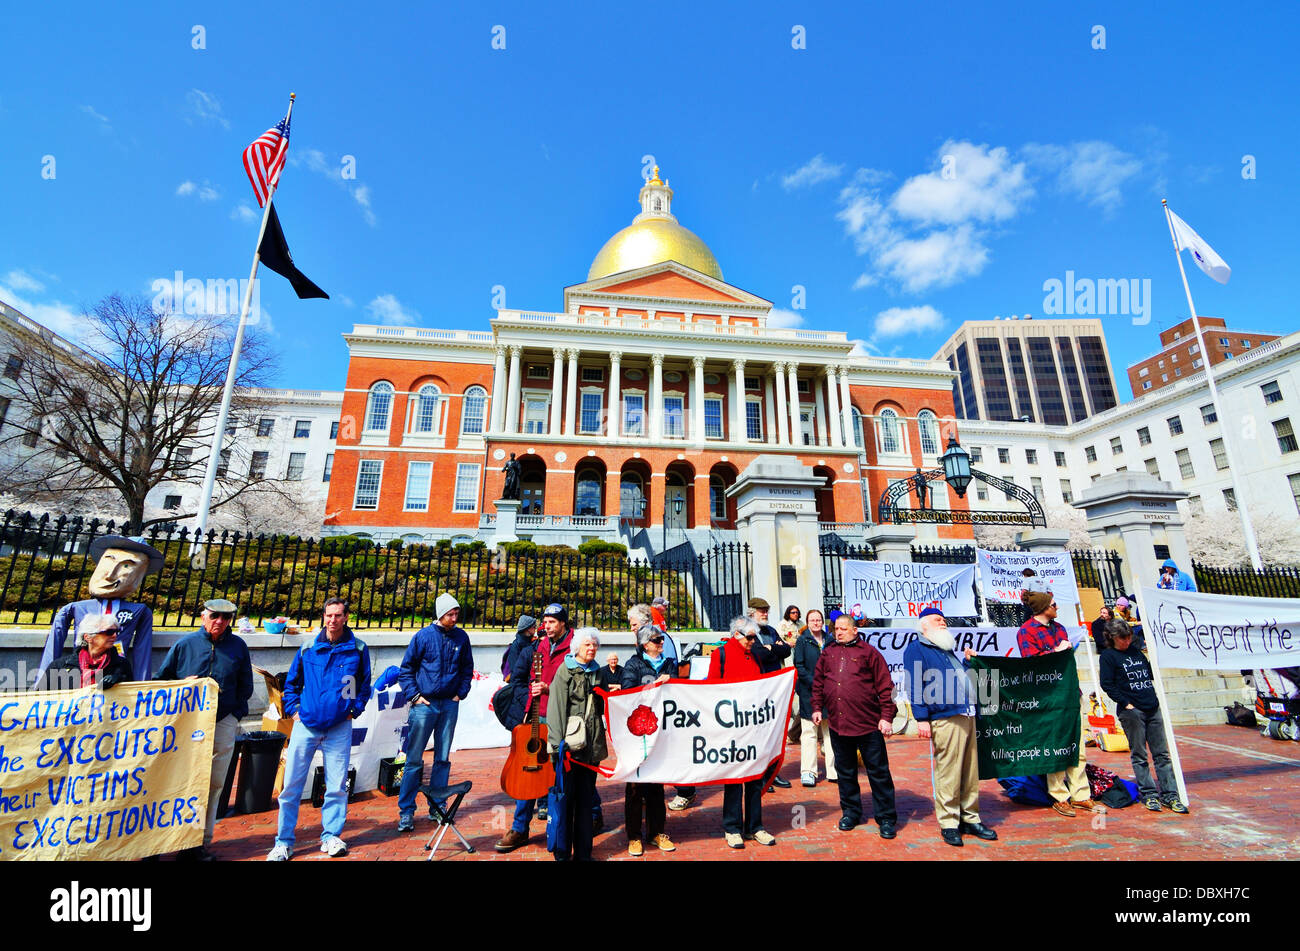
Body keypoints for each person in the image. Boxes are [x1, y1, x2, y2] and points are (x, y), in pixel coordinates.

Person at [268, 598, 373, 861]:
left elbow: (363, 684)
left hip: (339, 727)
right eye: (328, 615)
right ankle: (283, 842)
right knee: (291, 786)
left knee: (337, 786)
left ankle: (331, 836)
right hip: (306, 726)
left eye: (338, 615)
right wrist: (294, 712)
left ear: (346, 617)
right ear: (323, 617)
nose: (332, 620)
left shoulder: (358, 649)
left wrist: (353, 709)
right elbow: (291, 684)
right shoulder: (307, 648)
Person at [154, 598, 253, 860]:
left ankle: (197, 841)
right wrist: (181, 685)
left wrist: (235, 714)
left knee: (212, 783)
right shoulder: (185, 645)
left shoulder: (238, 647)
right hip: (186, 724)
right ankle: (168, 837)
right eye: (214, 616)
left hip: (222, 721)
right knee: (180, 781)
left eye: (225, 617)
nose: (219, 622)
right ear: (203, 617)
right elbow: (160, 682)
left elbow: (246, 686)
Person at [903, 608, 998, 847]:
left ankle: (970, 817)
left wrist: (967, 663)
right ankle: (949, 822)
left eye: (944, 619)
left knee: (969, 771)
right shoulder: (917, 649)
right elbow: (914, 684)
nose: (943, 622)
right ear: (924, 625)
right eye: (938, 619)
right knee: (949, 773)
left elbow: (962, 680)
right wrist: (921, 718)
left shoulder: (946, 649)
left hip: (966, 714)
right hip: (945, 718)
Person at [1016, 589, 1106, 819]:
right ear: (1044, 607)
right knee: (1054, 745)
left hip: (1069, 691)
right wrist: (1054, 651)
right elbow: (1031, 663)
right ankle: (1059, 795)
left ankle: (1080, 793)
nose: (1057, 607)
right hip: (1048, 696)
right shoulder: (1026, 631)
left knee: (1077, 744)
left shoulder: (1060, 628)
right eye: (1054, 604)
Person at [495, 602, 576, 852]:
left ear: (563, 623)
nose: (547, 626)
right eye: (545, 622)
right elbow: (517, 678)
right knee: (527, 770)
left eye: (552, 622)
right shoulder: (535, 647)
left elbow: (577, 684)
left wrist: (550, 691)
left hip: (561, 718)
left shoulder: (574, 648)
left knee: (557, 774)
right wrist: (527, 700)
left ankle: (558, 826)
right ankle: (520, 828)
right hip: (535, 717)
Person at [35, 534, 164, 684]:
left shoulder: (140, 611)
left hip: (115, 671)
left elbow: (143, 651)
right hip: (78, 669)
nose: (110, 574)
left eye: (127, 566)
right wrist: (42, 682)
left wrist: (141, 687)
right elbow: (53, 644)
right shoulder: (77, 608)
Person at [812, 614, 898, 838]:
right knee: (845, 772)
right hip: (839, 724)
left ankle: (886, 818)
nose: (838, 632)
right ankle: (850, 812)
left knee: (878, 773)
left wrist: (886, 716)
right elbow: (819, 682)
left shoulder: (869, 653)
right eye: (836, 629)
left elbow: (885, 687)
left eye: (842, 628)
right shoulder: (828, 652)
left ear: (854, 630)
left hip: (868, 724)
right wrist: (817, 707)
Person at [396, 592, 474, 832]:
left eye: (456, 613)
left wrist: (461, 692)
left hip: (449, 704)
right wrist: (416, 696)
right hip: (425, 704)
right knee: (413, 760)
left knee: (442, 758)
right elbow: (406, 669)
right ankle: (406, 811)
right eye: (450, 613)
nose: (454, 617)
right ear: (440, 614)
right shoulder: (423, 637)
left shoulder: (462, 637)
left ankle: (438, 807)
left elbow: (467, 668)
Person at [1099, 618, 1189, 814]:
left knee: (1162, 754)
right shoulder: (1108, 656)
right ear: (1113, 638)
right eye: (1123, 638)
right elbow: (1107, 684)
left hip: (1151, 705)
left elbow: (1149, 673)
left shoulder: (1136, 651)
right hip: (1132, 710)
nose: (1127, 641)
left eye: (1129, 637)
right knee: (1139, 754)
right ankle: (1149, 794)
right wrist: (1126, 703)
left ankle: (1170, 794)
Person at [708, 617, 776, 848]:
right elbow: (711, 689)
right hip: (732, 728)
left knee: (755, 778)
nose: (752, 641)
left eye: (754, 637)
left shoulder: (756, 654)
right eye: (749, 637)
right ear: (736, 634)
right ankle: (732, 827)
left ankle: (755, 826)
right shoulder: (722, 654)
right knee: (735, 779)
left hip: (753, 727)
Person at [546, 627, 608, 861]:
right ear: (577, 648)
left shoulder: (597, 672)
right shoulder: (565, 671)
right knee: (565, 804)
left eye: (594, 645)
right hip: (569, 750)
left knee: (585, 804)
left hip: (590, 750)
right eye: (587, 645)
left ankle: (583, 853)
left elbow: (601, 709)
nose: (592, 648)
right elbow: (556, 711)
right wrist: (558, 746)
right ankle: (562, 852)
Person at [619, 623, 677, 855]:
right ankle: (634, 836)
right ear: (645, 644)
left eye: (662, 639)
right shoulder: (633, 665)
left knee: (656, 785)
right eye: (656, 640)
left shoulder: (669, 663)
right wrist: (655, 685)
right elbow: (627, 693)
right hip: (638, 733)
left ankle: (656, 832)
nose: (661, 643)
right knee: (635, 787)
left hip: (661, 732)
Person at [747, 597, 793, 789]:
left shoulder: (771, 630)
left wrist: (771, 648)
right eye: (761, 611)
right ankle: (760, 773)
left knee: (774, 731)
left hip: (774, 688)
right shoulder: (746, 631)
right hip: (757, 688)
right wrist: (775, 649)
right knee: (758, 733)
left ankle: (773, 772)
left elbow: (786, 651)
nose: (765, 614)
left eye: (766, 610)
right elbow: (758, 653)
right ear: (751, 612)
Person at [793, 609, 836, 787]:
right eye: (812, 620)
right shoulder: (803, 641)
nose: (816, 623)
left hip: (829, 693)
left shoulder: (830, 640)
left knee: (830, 733)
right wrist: (815, 682)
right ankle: (808, 771)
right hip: (808, 692)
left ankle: (833, 770)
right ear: (808, 622)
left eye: (818, 620)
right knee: (809, 732)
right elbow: (799, 665)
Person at [38, 614, 132, 690]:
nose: (115, 636)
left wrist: (118, 681)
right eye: (109, 632)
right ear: (88, 637)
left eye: (117, 631)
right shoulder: (60, 665)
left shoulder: (121, 665)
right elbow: (38, 698)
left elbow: (131, 698)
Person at [502, 614, 538, 680]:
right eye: (534, 626)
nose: (536, 628)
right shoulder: (516, 646)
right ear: (527, 629)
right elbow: (515, 669)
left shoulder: (532, 641)